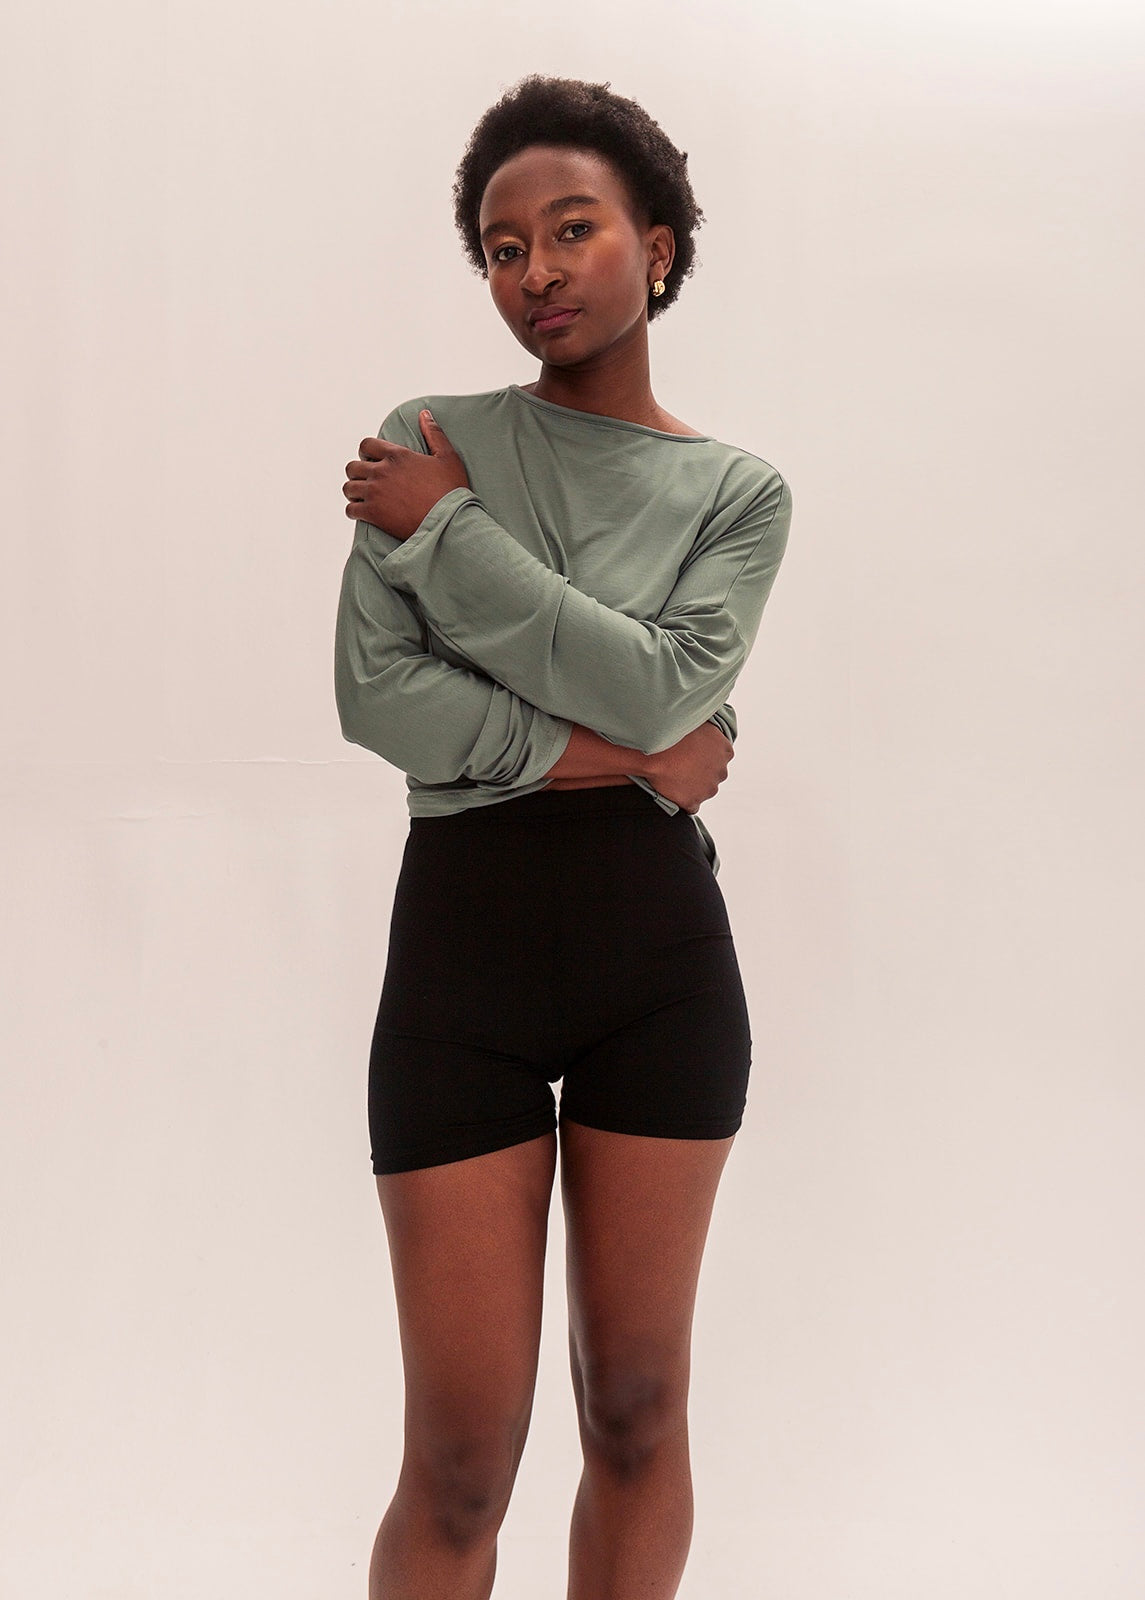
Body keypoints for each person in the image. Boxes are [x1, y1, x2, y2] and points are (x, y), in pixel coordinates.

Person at [334, 73, 792, 1600]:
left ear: (655, 248)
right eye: (500, 246)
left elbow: (665, 683)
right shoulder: (424, 436)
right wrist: (636, 753)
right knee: (461, 1455)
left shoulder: (733, 493)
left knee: (636, 1408)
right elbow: (381, 702)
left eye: (570, 229)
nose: (533, 268)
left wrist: (448, 534)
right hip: (458, 968)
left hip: (656, 970)